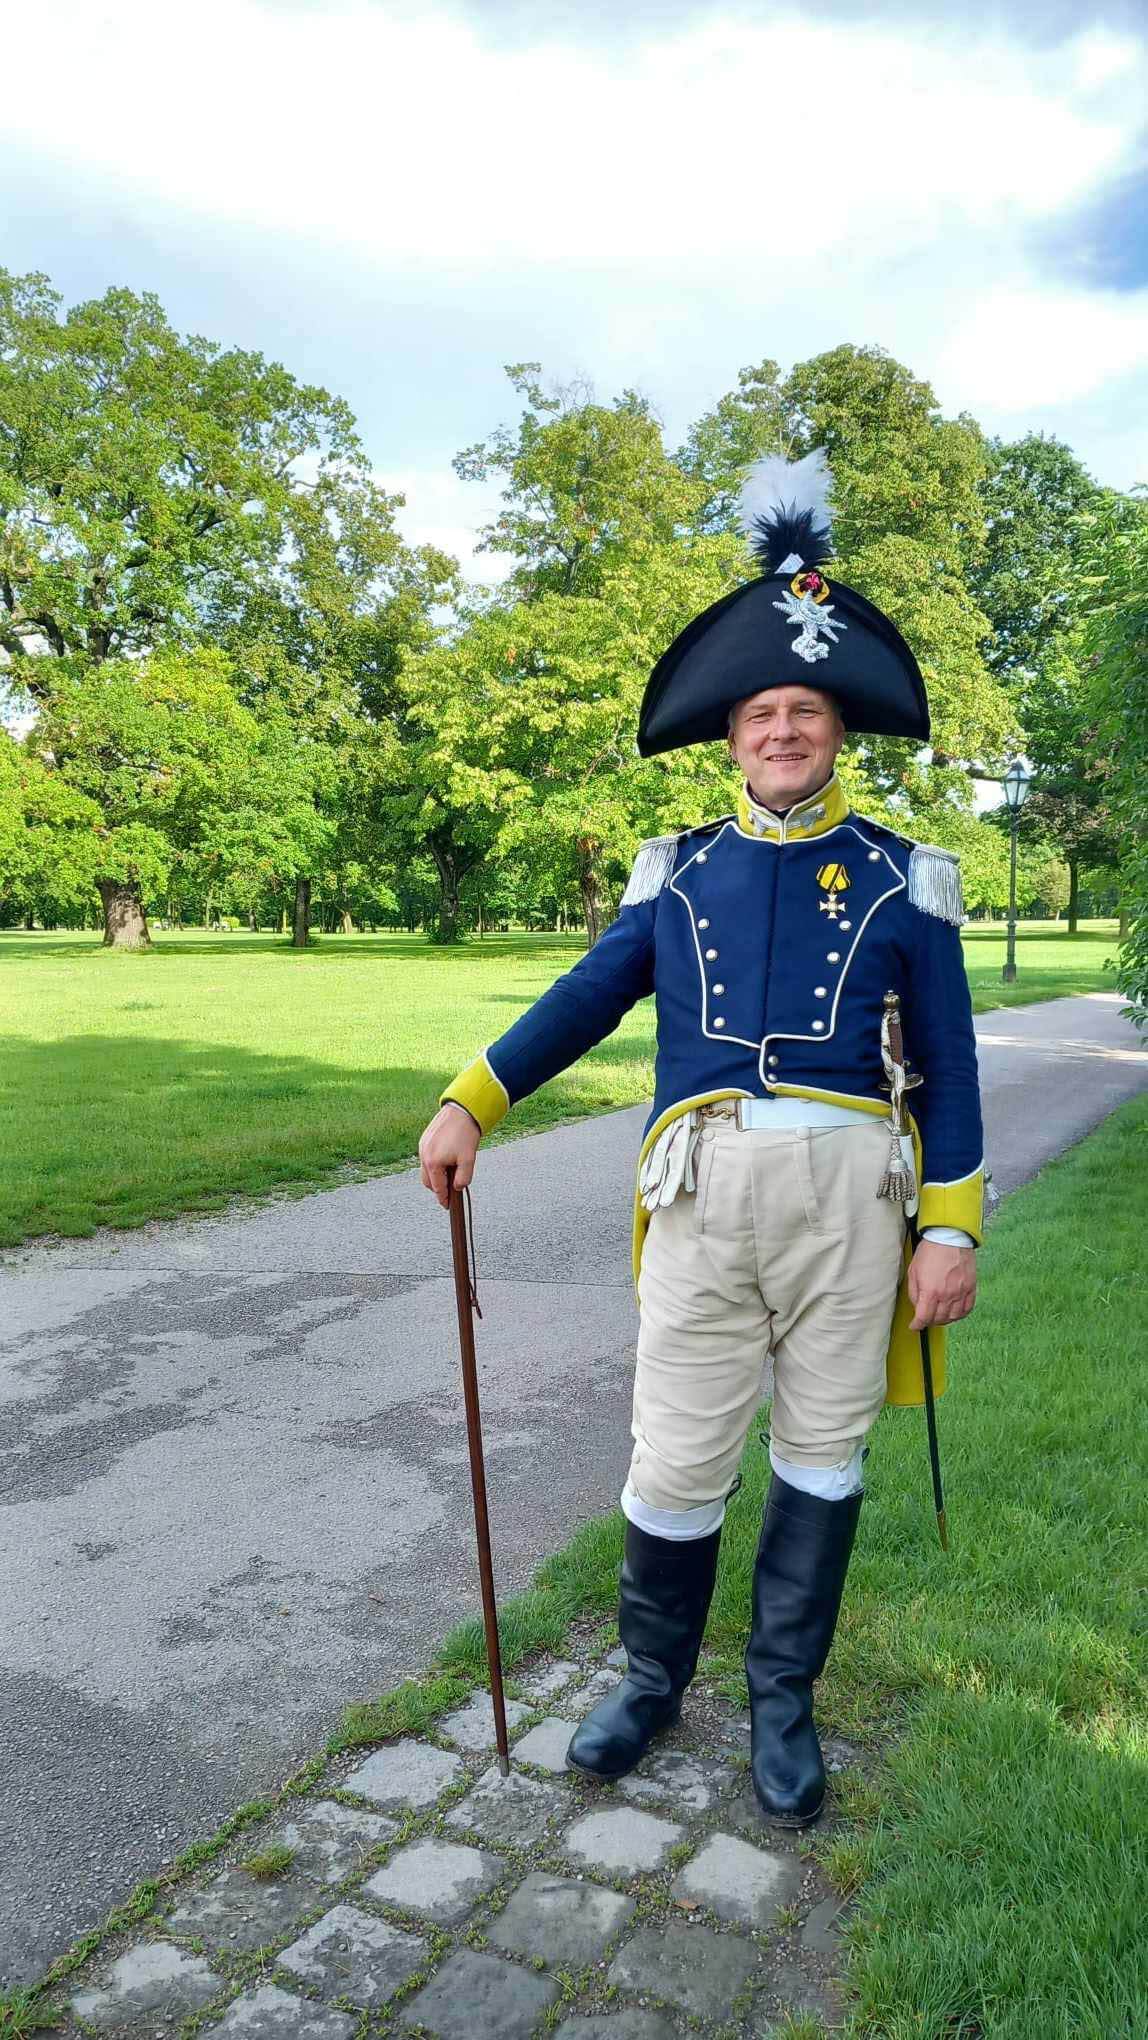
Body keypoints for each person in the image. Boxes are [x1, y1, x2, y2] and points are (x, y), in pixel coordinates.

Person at [418, 450, 984, 1826]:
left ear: (836, 728)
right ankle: (653, 1680)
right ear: (730, 737)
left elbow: (954, 1068)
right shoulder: (678, 873)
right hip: (700, 1190)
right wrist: (470, 1098)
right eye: (760, 714)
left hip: (857, 1201)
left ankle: (780, 1702)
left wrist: (953, 1225)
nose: (783, 731)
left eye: (805, 710)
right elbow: (584, 997)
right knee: (674, 1454)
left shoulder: (911, 881)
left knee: (822, 1452)